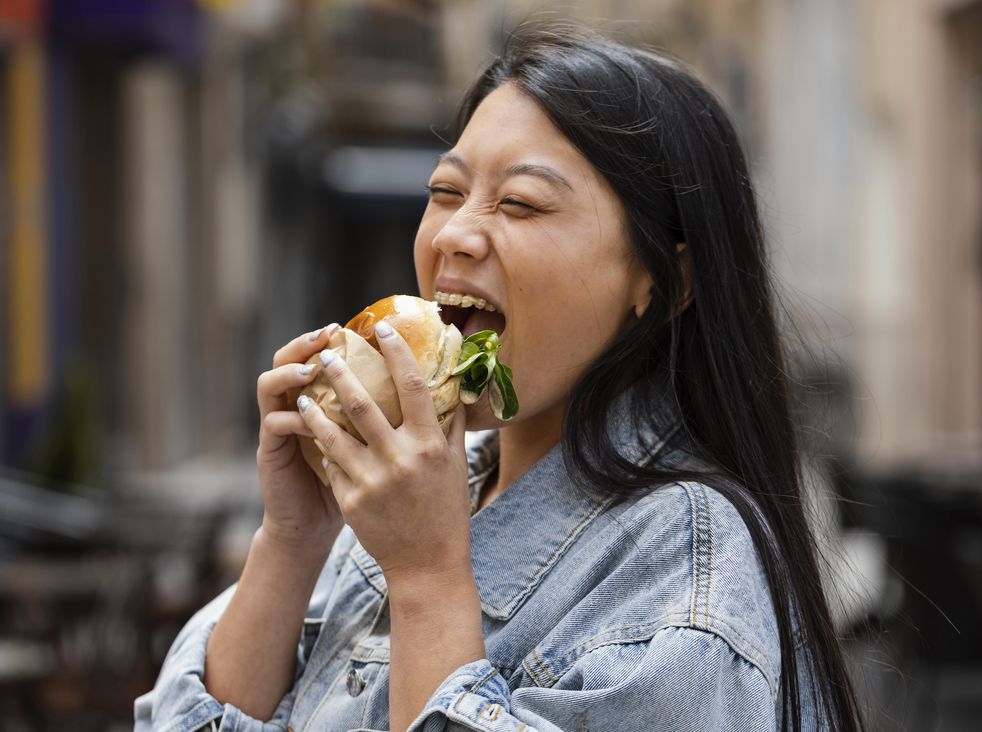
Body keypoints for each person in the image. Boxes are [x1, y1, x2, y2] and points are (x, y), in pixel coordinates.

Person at [135, 25, 865, 732]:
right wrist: (294, 538)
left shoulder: (683, 575)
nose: (455, 233)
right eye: (446, 192)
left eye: (521, 203)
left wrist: (428, 578)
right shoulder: (424, 491)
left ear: (664, 281)